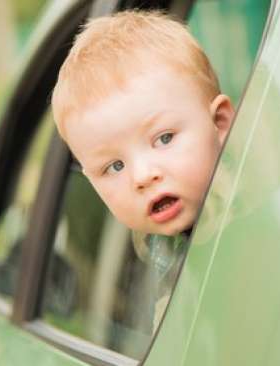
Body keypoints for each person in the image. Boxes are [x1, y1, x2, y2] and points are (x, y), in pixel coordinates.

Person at [51, 10, 234, 238]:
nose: (142, 177)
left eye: (164, 139)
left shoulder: (260, 221)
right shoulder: (149, 246)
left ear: (220, 122)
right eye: (115, 166)